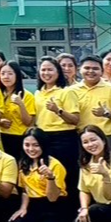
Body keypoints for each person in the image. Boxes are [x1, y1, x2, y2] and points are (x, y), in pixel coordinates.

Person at [5, 128, 73, 222]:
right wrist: (23, 208)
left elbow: (53, 198)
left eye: (36, 145)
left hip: (55, 208)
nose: (31, 149)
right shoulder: (24, 163)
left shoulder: (54, 165)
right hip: (34, 206)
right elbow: (25, 189)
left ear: (43, 145)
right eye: (27, 145)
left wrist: (50, 178)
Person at [34, 57, 82, 194]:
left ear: (58, 72)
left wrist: (58, 111)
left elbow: (75, 119)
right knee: (48, 173)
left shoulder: (66, 91)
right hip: (43, 138)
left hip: (63, 138)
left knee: (68, 174)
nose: (46, 73)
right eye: (43, 70)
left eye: (50, 69)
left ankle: (73, 208)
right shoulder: (38, 93)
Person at [69, 55, 111, 155]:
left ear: (102, 71)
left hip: (110, 138)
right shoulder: (71, 91)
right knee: (85, 168)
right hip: (83, 139)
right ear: (79, 70)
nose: (91, 71)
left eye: (95, 68)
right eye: (87, 68)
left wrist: (107, 113)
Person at [0, 62, 37, 159]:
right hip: (0, 137)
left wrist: (20, 104)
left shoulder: (27, 95)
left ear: (17, 75)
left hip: (20, 138)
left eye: (10, 73)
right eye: (3, 73)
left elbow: (28, 122)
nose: (6, 77)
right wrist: (0, 121)